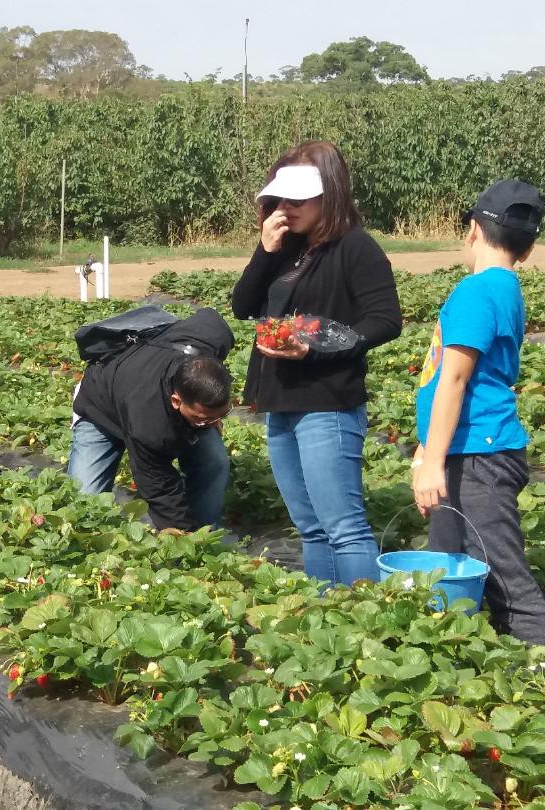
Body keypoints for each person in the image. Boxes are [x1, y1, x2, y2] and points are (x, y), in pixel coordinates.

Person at [231, 140, 402, 587]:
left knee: (344, 528)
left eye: (298, 199)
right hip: (280, 400)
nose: (286, 207)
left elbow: (385, 321)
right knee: (310, 527)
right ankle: (327, 615)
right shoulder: (286, 248)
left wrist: (318, 347)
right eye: (280, 198)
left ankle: (365, 623)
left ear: (330, 195)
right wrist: (264, 251)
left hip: (327, 403)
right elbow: (245, 306)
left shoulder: (355, 247)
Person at [413, 180, 545, 644]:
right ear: (527, 250)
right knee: (447, 569)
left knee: (506, 580)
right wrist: (428, 448)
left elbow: (453, 379)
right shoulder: (506, 286)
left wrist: (431, 463)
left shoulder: (476, 291)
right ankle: (455, 661)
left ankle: (535, 660)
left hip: (480, 455)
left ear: (472, 230)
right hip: (464, 450)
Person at [68, 308, 235, 531]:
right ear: (177, 401)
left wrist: (210, 416)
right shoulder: (149, 423)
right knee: (83, 502)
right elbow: (159, 486)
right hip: (100, 408)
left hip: (138, 384)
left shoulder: (208, 340)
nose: (211, 422)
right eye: (203, 418)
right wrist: (180, 533)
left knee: (214, 463)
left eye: (221, 414)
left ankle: (206, 531)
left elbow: (209, 317)